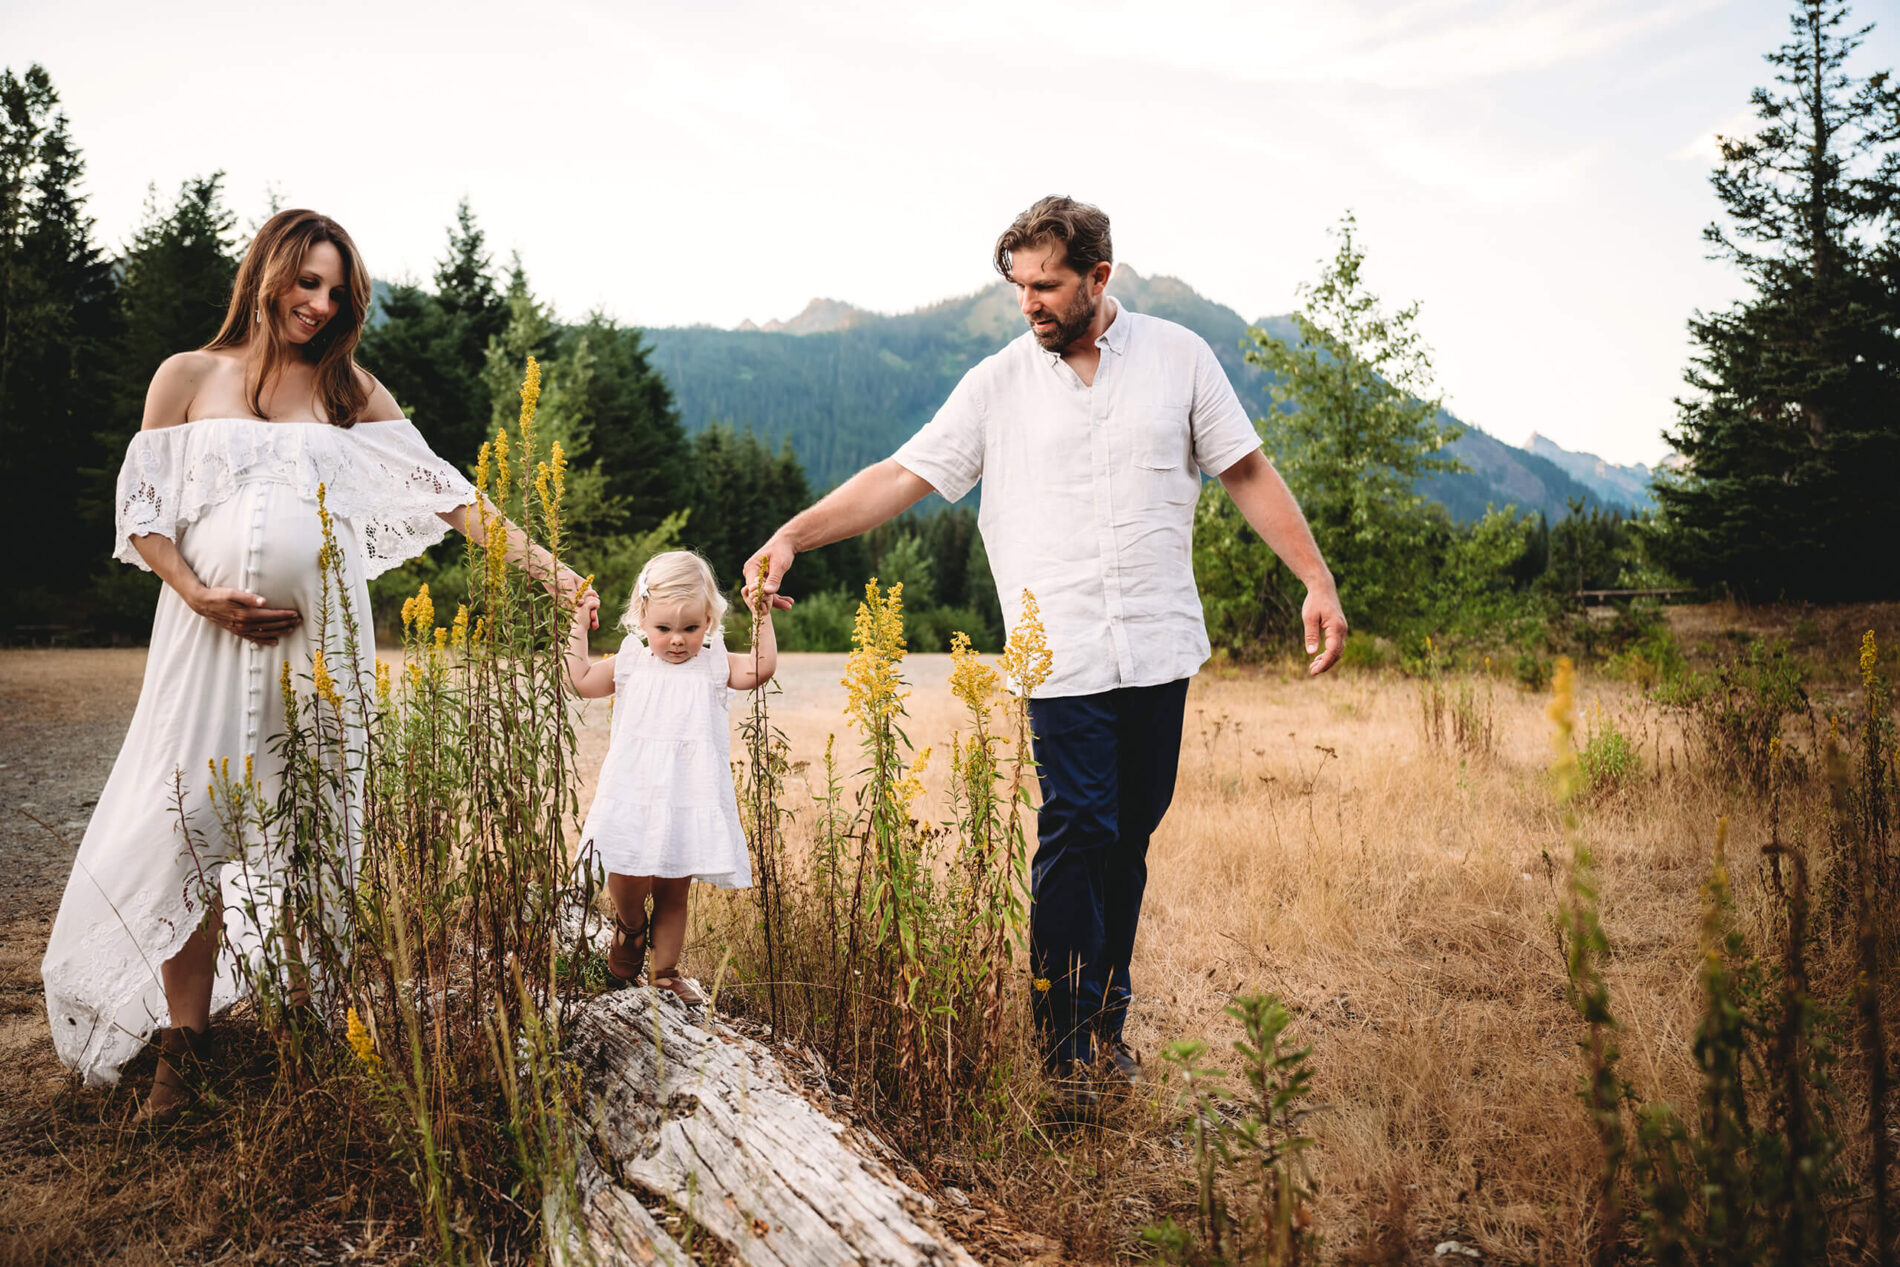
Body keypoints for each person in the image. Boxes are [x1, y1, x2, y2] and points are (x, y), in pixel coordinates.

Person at [745, 195, 1347, 1094]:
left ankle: (1108, 1024)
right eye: (1019, 286)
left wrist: (1317, 579)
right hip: (1056, 651)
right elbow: (901, 475)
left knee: (1130, 836)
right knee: (1078, 825)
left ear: (1099, 279)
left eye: (1048, 285)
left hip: (1158, 644)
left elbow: (1247, 470)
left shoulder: (1180, 359)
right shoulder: (997, 385)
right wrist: (795, 533)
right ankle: (1062, 1045)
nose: (1030, 303)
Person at [40, 209, 590, 1123]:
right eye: (308, 283)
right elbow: (143, 513)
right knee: (190, 822)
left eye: (336, 292)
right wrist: (197, 592)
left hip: (323, 647)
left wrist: (554, 571)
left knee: (317, 830)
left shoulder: (348, 389)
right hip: (203, 640)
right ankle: (186, 1041)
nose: (320, 304)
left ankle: (312, 1027)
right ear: (269, 271)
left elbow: (450, 492)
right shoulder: (187, 376)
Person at [564, 551, 776, 1006]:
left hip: (687, 796)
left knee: (673, 889)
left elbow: (761, 668)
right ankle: (629, 925)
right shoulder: (630, 663)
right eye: (663, 629)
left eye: (691, 629)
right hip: (634, 791)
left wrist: (762, 615)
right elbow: (579, 680)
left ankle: (665, 974)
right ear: (642, 619)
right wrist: (578, 625)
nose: (677, 641)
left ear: (709, 622)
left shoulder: (714, 664)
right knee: (624, 870)